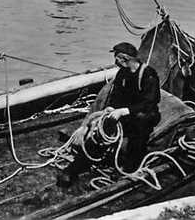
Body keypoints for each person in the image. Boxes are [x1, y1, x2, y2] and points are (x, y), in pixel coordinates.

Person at [58, 42, 161, 186]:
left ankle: (130, 168)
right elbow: (116, 96)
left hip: (144, 114)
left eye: (116, 57)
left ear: (124, 58)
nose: (115, 61)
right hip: (122, 113)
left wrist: (125, 111)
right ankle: (75, 168)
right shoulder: (122, 73)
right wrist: (111, 108)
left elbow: (151, 102)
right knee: (100, 133)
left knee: (139, 129)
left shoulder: (148, 74)